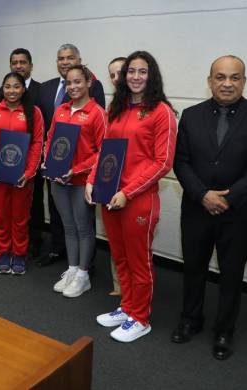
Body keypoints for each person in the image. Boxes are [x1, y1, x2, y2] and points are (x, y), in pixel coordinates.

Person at [172, 55, 247, 360]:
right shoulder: (190, 115)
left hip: (238, 213)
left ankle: (224, 330)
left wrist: (228, 198)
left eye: (234, 77)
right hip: (196, 208)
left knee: (231, 274)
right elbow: (181, 161)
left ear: (244, 81)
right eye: (220, 77)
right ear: (210, 81)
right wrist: (203, 194)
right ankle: (190, 320)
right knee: (193, 269)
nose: (227, 83)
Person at [89, 51, 177, 343]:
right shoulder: (118, 106)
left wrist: (128, 191)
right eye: (131, 71)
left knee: (140, 261)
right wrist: (91, 180)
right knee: (120, 256)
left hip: (138, 199)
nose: (136, 77)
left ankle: (140, 317)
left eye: (142, 71)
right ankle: (127, 307)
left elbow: (162, 162)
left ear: (151, 75)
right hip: (109, 195)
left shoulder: (161, 111)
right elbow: (104, 149)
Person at [37, 43, 106, 267]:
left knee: (83, 228)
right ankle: (73, 269)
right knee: (68, 226)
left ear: (88, 83)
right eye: (69, 83)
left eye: (78, 82)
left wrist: (74, 170)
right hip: (58, 179)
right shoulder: (61, 110)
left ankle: (84, 273)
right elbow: (50, 139)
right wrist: (49, 163)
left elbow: (102, 152)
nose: (73, 86)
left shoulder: (97, 113)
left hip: (81, 180)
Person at [0, 72, 43, 275]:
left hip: (22, 176)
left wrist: (29, 172)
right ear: (2, 88)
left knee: (20, 218)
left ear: (23, 89)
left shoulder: (33, 112)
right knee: (1, 216)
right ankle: (3, 253)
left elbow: (36, 143)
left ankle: (19, 254)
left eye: (16, 86)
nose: (12, 91)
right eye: (7, 86)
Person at [0, 48, 44, 257]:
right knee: (4, 213)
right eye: (14, 62)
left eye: (22, 62)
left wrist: (31, 167)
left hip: (29, 166)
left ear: (30, 65)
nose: (12, 91)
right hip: (3, 166)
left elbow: (38, 135)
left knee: (28, 210)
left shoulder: (40, 93)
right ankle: (6, 251)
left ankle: (27, 247)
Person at [106, 56, 126, 297]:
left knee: (134, 246)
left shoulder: (154, 107)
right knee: (115, 242)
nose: (117, 78)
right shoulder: (113, 107)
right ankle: (119, 286)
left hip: (135, 186)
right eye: (112, 74)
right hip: (111, 181)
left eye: (120, 72)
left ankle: (134, 296)